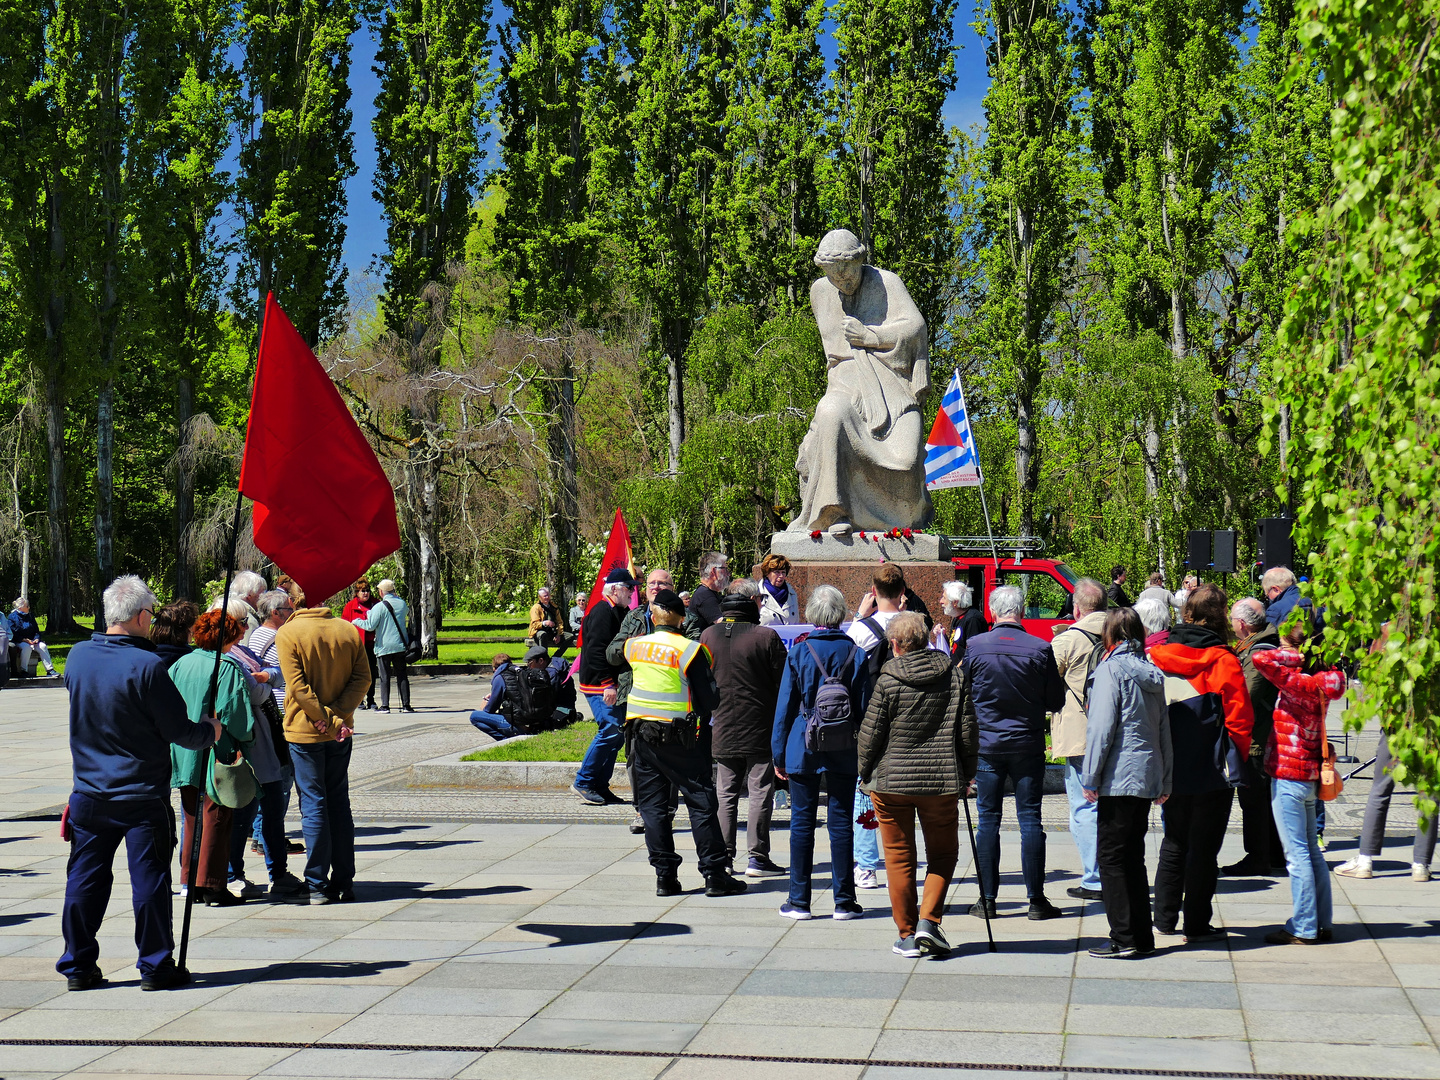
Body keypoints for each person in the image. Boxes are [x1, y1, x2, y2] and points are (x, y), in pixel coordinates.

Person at [57, 575, 220, 992]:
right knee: (149, 882)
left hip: (89, 792)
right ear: (142, 616)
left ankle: (77, 965)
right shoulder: (147, 665)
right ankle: (155, 965)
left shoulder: (77, 657)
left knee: (84, 881)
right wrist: (210, 732)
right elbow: (179, 730)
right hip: (140, 794)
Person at [786, 229, 932, 534]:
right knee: (830, 413)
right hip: (844, 383)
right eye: (833, 273)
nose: (842, 278)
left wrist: (871, 336)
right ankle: (833, 512)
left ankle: (900, 522)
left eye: (848, 269)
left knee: (907, 462)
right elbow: (834, 358)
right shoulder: (819, 292)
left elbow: (916, 327)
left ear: (861, 260)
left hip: (890, 384)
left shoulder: (886, 282)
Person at [859, 612, 976, 958]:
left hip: (891, 781)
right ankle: (929, 920)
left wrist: (863, 772)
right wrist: (968, 774)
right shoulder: (953, 676)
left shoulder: (887, 680)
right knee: (943, 854)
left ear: (895, 645)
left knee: (898, 857)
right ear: (925, 640)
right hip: (940, 781)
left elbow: (870, 735)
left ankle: (907, 934)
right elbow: (967, 731)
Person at [621, 588, 747, 897]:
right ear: (682, 620)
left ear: (653, 618)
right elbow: (710, 698)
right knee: (701, 803)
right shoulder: (690, 650)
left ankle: (665, 877)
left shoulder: (634, 646)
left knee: (653, 808)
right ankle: (715, 875)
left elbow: (615, 659)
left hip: (643, 737)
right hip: (683, 739)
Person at [1147, 584, 1253, 943]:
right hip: (1211, 764)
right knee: (1205, 847)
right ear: (1222, 616)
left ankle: (1162, 918)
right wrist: (1234, 756)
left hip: (1170, 759)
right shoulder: (1224, 660)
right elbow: (1239, 718)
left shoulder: (1159, 654)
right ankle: (1196, 922)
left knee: (1173, 839)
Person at [963, 584, 1066, 920]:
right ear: (1020, 611)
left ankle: (988, 900)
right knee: (1030, 820)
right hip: (1026, 743)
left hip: (988, 746)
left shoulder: (975, 647)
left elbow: (963, 695)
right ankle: (1036, 901)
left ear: (994, 612)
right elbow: (1056, 700)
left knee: (988, 821)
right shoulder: (1039, 648)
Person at [772, 584, 869, 921]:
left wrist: (778, 754)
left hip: (804, 743)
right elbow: (866, 709)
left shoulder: (798, 653)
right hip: (844, 746)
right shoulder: (856, 653)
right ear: (840, 614)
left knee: (802, 822)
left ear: (812, 614)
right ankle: (844, 901)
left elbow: (784, 706)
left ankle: (799, 901)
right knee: (842, 822)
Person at [1082, 607, 1172, 959]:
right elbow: (1164, 730)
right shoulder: (1152, 672)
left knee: (1112, 858)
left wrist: (1090, 775)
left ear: (1110, 636)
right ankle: (1140, 936)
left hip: (1120, 775)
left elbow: (1101, 729)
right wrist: (1165, 778)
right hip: (1145, 772)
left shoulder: (1111, 670)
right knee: (1132, 857)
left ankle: (1124, 936)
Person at [1252, 614, 1346, 944]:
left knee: (1298, 856)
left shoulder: (1298, 681)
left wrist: (1294, 651)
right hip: (1308, 775)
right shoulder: (1327, 680)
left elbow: (1260, 657)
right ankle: (1323, 921)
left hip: (1289, 776)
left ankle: (1305, 926)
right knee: (1312, 852)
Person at [276, 594, 371, 904]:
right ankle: (343, 880)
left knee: (314, 804)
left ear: (294, 600)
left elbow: (298, 688)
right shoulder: (346, 629)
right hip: (339, 731)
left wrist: (327, 719)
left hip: (306, 731)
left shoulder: (288, 633)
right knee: (338, 803)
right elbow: (363, 679)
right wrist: (338, 717)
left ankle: (317, 882)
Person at [167, 609, 256, 909]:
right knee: (218, 814)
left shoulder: (182, 663)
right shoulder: (227, 667)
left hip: (182, 750)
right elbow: (237, 716)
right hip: (216, 750)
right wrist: (248, 738)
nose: (242, 633)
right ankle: (212, 885)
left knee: (191, 815)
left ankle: (189, 880)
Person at [701, 579, 787, 877]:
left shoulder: (708, 635)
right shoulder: (765, 636)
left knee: (725, 791)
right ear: (752, 604)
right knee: (760, 789)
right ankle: (757, 857)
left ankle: (724, 856)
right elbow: (782, 683)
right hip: (759, 724)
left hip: (721, 723)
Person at [847, 563, 911, 889]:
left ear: (873, 592)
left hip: (871, 722)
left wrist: (859, 616)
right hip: (909, 724)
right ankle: (901, 863)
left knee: (866, 797)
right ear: (902, 593)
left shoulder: (860, 631)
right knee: (904, 797)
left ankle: (866, 867)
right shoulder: (915, 628)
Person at [608, 568, 681, 832]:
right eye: (652, 583)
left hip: (671, 701)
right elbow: (612, 654)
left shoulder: (686, 618)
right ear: (645, 588)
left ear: (672, 587)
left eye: (663, 583)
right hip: (636, 700)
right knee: (636, 757)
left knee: (670, 758)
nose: (657, 587)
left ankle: (666, 813)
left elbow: (695, 652)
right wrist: (632, 644)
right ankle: (642, 811)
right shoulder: (633, 617)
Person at [1050, 578, 1109, 902]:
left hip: (1081, 733)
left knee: (1085, 806)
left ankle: (1095, 878)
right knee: (1112, 807)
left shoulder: (1069, 640)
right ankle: (1115, 871)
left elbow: (1045, 682)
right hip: (1119, 733)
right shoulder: (1125, 631)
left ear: (1077, 608)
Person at [1223, 598, 1285, 877]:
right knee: (1261, 800)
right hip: (1259, 734)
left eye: (1232, 618)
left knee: (1254, 800)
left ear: (1242, 624)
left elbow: (1246, 694)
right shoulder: (1256, 645)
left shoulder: (1260, 652)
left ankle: (1259, 857)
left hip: (1257, 738)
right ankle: (1272, 854)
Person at [246, 590, 304, 861]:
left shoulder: (258, 635)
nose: (290, 612)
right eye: (286, 609)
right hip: (278, 711)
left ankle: (263, 835)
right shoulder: (275, 636)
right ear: (274, 613)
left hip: (269, 710)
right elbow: (265, 673)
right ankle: (264, 837)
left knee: (275, 777)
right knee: (282, 778)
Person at [573, 568, 636, 805]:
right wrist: (608, 684)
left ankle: (600, 785)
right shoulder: (601, 611)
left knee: (617, 734)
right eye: (629, 588)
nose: (632, 592)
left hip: (610, 683)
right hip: (600, 684)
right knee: (610, 729)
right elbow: (597, 650)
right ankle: (584, 781)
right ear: (616, 589)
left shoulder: (619, 610)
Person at [469, 646, 571, 740]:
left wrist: (486, 700)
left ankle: (505, 741)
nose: (528, 665)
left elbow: (490, 710)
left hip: (521, 725)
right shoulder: (523, 673)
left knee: (475, 716)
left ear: (495, 669)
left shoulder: (501, 677)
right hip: (540, 722)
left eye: (530, 662)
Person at [355, 579, 413, 714]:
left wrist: (357, 621)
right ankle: (406, 705)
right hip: (400, 645)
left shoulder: (379, 607)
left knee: (384, 676)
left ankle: (385, 706)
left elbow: (370, 626)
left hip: (384, 647)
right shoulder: (402, 604)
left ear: (381, 592)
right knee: (402, 675)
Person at [342, 581, 379, 711]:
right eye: (362, 591)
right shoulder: (350, 606)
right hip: (356, 645)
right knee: (357, 674)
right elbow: (344, 626)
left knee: (371, 673)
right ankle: (359, 700)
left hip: (371, 645)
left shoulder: (376, 604)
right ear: (357, 592)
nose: (366, 593)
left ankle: (371, 699)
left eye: (367, 590)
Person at [937, 581, 988, 663]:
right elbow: (955, 647)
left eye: (944, 598)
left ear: (955, 602)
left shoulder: (973, 620)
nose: (941, 601)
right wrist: (943, 635)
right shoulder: (957, 618)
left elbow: (972, 653)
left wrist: (957, 671)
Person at [9, 596, 58, 677]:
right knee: (26, 647)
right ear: (20, 607)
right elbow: (13, 633)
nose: (29, 608)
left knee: (43, 646)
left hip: (32, 641)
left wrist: (36, 639)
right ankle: (24, 670)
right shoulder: (12, 617)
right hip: (20, 641)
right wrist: (24, 640)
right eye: (27, 606)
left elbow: (36, 631)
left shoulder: (30, 616)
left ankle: (50, 670)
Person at [684, 552, 731, 636]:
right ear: (714, 571)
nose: (728, 574)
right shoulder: (704, 596)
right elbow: (724, 625)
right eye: (725, 569)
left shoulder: (706, 593)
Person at [224, 570, 268, 644]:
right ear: (249, 595)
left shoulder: (224, 607)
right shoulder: (248, 620)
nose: (264, 597)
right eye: (262, 593)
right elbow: (245, 649)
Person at [757, 554, 800, 626]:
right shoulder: (758, 594)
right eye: (777, 572)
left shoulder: (792, 594)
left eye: (783, 572)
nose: (781, 576)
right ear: (767, 573)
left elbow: (796, 623)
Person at [529, 586, 574, 653]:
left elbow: (560, 622)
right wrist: (545, 623)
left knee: (570, 636)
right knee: (543, 634)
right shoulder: (536, 608)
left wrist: (558, 634)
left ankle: (556, 657)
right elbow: (534, 624)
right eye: (545, 596)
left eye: (548, 595)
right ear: (540, 597)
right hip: (539, 631)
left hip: (552, 632)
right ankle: (544, 657)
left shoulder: (554, 607)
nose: (547, 597)